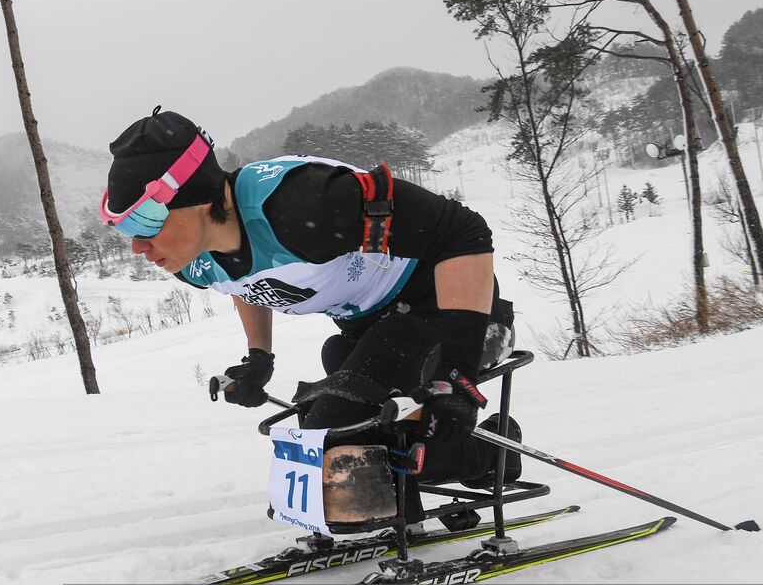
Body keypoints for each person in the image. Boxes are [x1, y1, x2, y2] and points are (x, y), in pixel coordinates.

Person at [99, 107, 519, 527]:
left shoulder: (302, 204)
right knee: (336, 421)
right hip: (370, 325)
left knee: (340, 429)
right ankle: (411, 504)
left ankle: (495, 459)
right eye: (121, 226)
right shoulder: (192, 259)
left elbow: (463, 232)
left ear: (198, 196)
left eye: (145, 219)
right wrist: (259, 357)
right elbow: (242, 280)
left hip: (449, 310)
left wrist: (457, 374)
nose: (137, 245)